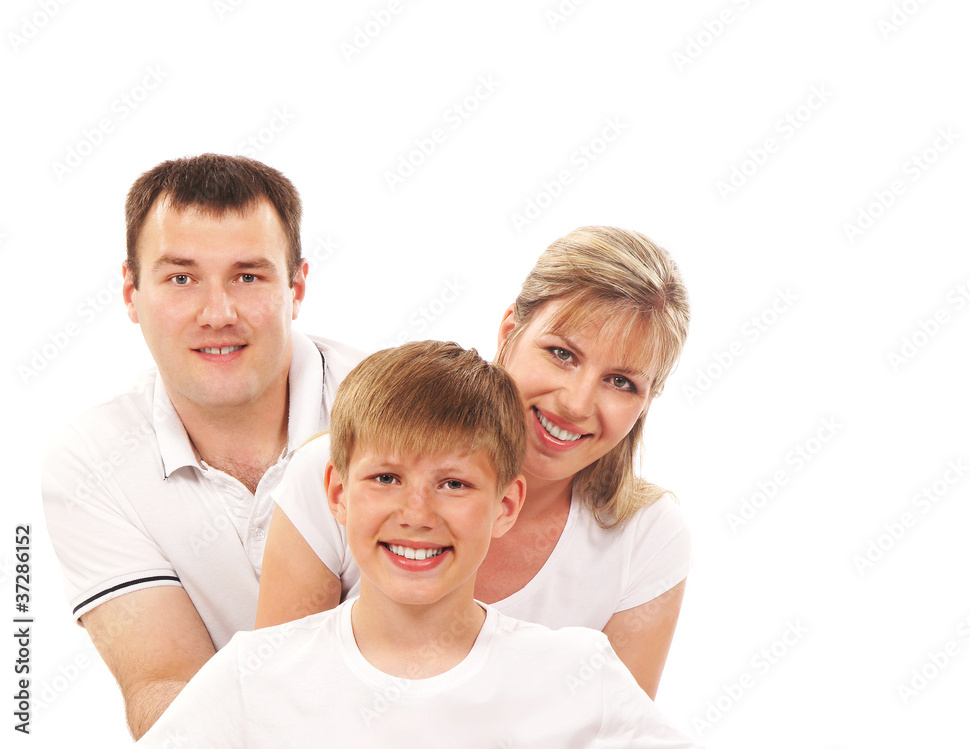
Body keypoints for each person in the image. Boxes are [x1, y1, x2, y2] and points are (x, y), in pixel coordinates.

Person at [138, 341, 700, 748]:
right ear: (337, 492)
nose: (416, 514)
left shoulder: (576, 672)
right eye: (386, 479)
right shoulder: (253, 674)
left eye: (453, 484)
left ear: (504, 506)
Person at [257, 226, 692, 698]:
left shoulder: (647, 538)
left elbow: (615, 735)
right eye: (562, 354)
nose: (577, 403)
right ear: (510, 333)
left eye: (621, 382)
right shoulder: (344, 471)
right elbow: (279, 702)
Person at [41, 154, 363, 738]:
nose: (218, 314)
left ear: (297, 288)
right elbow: (161, 685)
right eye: (181, 278)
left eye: (248, 275)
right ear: (131, 293)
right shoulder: (91, 462)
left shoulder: (397, 411)